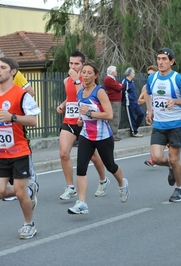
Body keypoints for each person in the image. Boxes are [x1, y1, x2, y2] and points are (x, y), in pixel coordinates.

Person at [0, 57, 40, 239]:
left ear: (13, 71)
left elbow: (33, 120)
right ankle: (30, 190)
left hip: (19, 150)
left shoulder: (22, 95)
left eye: (3, 67)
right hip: (0, 152)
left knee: (21, 194)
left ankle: (29, 224)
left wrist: (13, 117)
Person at [68, 61, 129, 214]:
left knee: (110, 166)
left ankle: (122, 183)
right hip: (86, 135)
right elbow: (83, 113)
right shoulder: (80, 92)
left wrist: (89, 113)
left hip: (102, 136)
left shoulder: (99, 91)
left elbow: (109, 115)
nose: (86, 75)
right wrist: (81, 119)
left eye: (89, 73)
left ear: (96, 75)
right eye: (84, 72)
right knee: (81, 168)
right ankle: (81, 203)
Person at [145, 48, 181, 202]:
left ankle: (179, 188)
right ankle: (172, 167)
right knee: (156, 157)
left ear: (171, 62)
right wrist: (149, 110)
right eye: (158, 59)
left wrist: (176, 101)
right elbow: (147, 92)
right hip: (159, 124)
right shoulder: (152, 78)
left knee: (175, 159)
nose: (160, 62)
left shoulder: (177, 79)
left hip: (176, 124)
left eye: (164, 59)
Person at [56, 51, 108, 200]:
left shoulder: (86, 79)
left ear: (83, 64)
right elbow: (71, 97)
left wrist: (77, 81)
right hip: (69, 121)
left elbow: (83, 98)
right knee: (63, 153)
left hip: (85, 122)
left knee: (93, 156)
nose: (73, 66)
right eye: (71, 63)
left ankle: (103, 180)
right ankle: (70, 187)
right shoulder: (67, 81)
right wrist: (63, 104)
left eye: (76, 64)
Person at [138, 65, 159, 168]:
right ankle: (153, 158)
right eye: (148, 74)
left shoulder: (161, 84)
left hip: (163, 114)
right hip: (152, 113)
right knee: (154, 135)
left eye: (152, 74)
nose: (150, 76)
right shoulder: (146, 87)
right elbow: (139, 101)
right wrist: (148, 103)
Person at [122, 67, 145, 137]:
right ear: (130, 74)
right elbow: (122, 92)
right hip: (129, 103)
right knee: (131, 117)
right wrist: (125, 101)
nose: (134, 74)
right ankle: (134, 132)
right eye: (133, 73)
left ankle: (134, 128)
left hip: (135, 102)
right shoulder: (125, 82)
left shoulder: (132, 82)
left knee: (141, 114)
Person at [104, 65, 124, 141]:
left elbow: (119, 86)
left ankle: (114, 133)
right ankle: (113, 134)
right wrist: (120, 85)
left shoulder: (112, 79)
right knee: (115, 117)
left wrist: (120, 85)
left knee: (116, 116)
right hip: (113, 100)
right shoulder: (109, 79)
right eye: (115, 71)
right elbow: (118, 87)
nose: (116, 72)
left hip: (116, 100)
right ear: (112, 72)